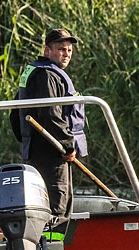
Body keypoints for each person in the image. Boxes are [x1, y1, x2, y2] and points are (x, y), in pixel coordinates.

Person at [10, 28, 87, 223]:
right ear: (47, 51)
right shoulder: (47, 75)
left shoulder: (35, 71)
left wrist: (28, 142)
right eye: (61, 49)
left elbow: (15, 114)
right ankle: (53, 249)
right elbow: (51, 115)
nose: (66, 54)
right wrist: (68, 145)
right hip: (52, 153)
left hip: (39, 151)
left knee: (45, 203)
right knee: (57, 208)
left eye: (69, 50)